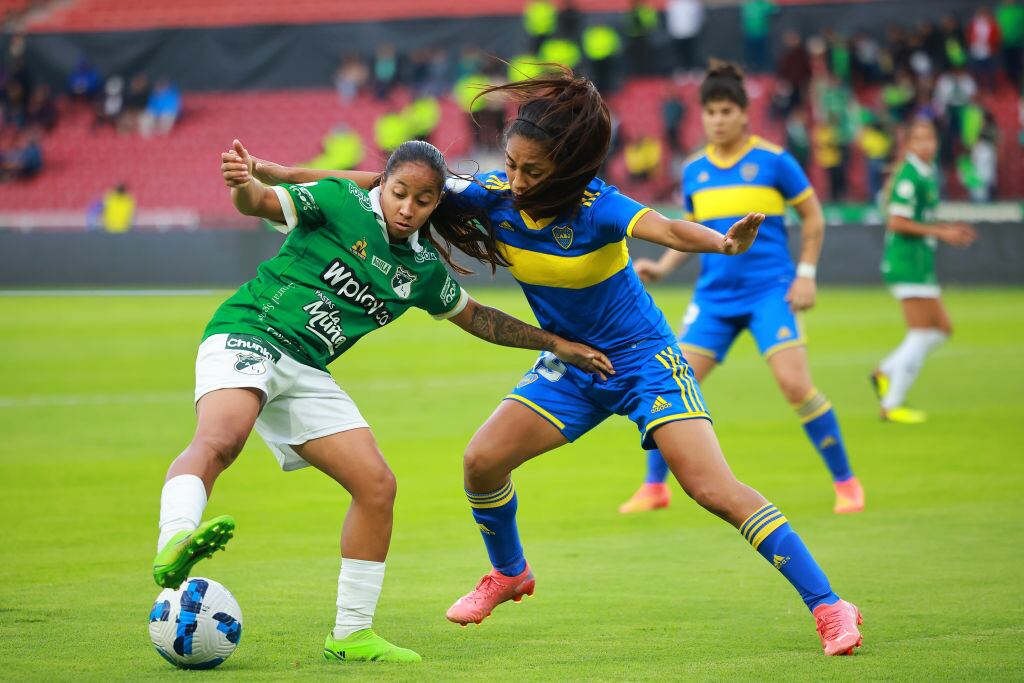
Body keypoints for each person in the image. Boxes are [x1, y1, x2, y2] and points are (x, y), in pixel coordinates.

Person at [254, 67, 865, 656]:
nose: (516, 179)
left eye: (533, 170)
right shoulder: (493, 199)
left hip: (644, 361)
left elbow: (671, 229)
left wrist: (723, 241)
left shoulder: (599, 207)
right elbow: (388, 178)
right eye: (512, 163)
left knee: (710, 488)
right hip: (573, 365)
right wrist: (287, 174)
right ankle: (510, 574)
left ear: (567, 170)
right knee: (482, 461)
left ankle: (829, 605)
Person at [154, 138, 612, 665]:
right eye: (398, 193)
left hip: (306, 367)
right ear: (382, 185)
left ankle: (350, 634)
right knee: (221, 440)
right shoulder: (340, 200)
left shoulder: (421, 270)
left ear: (437, 204)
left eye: (422, 201)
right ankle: (175, 542)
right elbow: (257, 201)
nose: (407, 209)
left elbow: (480, 319)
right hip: (251, 330)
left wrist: (554, 343)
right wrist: (242, 183)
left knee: (376, 486)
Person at [620, 61, 863, 518]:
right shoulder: (694, 170)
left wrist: (806, 272)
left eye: (726, 110)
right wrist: (665, 266)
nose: (717, 119)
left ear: (744, 113)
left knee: (795, 385)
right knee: (668, 387)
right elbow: (696, 232)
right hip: (714, 298)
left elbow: (813, 216)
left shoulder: (774, 161)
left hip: (770, 291)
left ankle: (846, 481)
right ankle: (655, 487)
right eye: (710, 111)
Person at [873, 119, 977, 423]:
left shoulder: (926, 173)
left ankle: (885, 372)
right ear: (908, 145)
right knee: (924, 333)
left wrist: (944, 229)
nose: (926, 145)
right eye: (919, 140)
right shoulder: (909, 176)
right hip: (907, 264)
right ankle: (891, 404)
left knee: (941, 330)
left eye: (930, 139)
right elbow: (896, 221)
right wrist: (942, 233)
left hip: (919, 264)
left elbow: (919, 218)